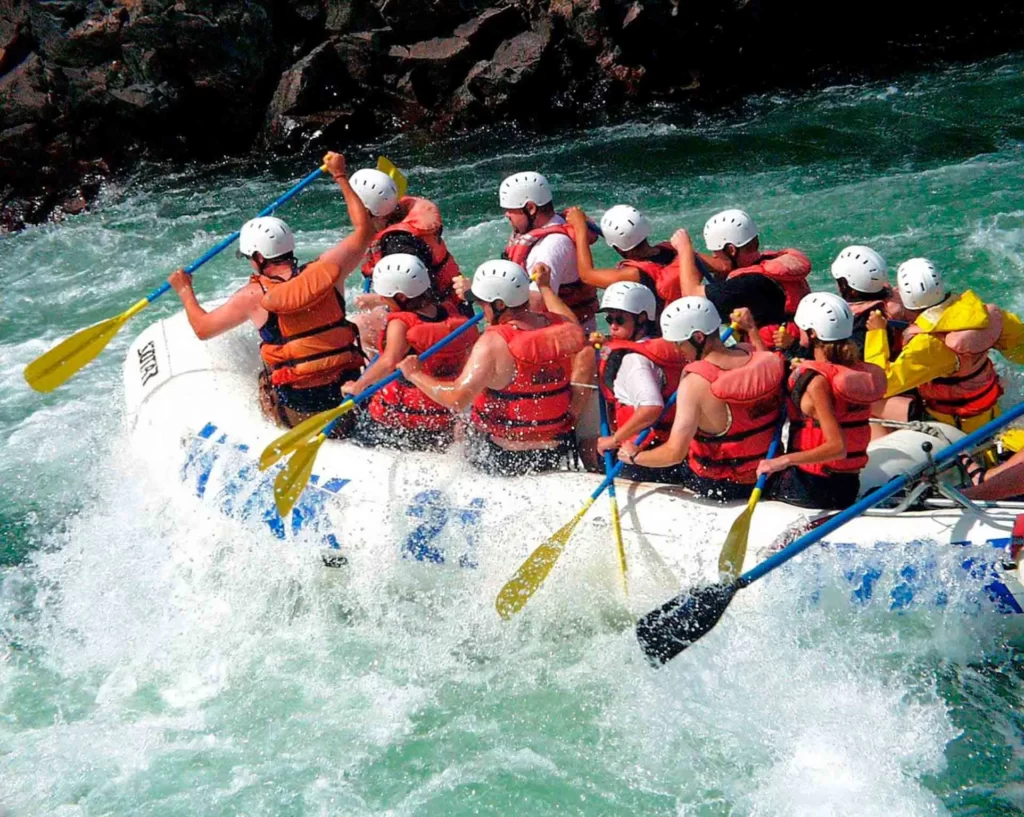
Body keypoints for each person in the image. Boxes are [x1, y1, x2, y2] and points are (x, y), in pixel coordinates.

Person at [168, 151, 371, 433]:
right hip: (348, 401)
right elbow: (364, 229)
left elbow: (203, 329)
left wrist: (185, 291)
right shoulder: (330, 269)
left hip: (300, 412)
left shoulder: (253, 296)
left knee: (263, 380)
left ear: (259, 258)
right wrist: (340, 175)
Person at [398, 260, 585, 477]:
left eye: (482, 303)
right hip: (554, 450)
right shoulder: (563, 329)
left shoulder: (493, 343)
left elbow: (456, 399)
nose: (481, 309)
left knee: (461, 424)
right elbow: (569, 319)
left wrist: (414, 374)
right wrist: (545, 287)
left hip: (502, 456)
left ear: (500, 305)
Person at [618, 296, 785, 501]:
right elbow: (765, 359)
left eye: (679, 344)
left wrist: (634, 456)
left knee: (634, 468)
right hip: (768, 475)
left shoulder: (695, 383)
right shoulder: (757, 356)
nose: (678, 351)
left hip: (720, 485)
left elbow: (674, 454)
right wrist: (751, 330)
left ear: (698, 337)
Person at [756, 293, 888, 509]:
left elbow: (838, 447)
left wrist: (782, 461)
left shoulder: (816, 382)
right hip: (848, 485)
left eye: (800, 328)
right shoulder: (854, 370)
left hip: (812, 488)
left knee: (739, 476)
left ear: (812, 333)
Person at [865, 258, 1024, 434]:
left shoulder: (928, 343)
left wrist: (876, 333)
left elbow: (880, 385)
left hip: (956, 426)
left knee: (865, 402)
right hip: (990, 411)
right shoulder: (977, 312)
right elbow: (1019, 346)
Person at [343, 253, 477, 451]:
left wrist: (358, 386)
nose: (382, 300)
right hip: (443, 418)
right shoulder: (450, 312)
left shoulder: (401, 322)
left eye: (385, 297)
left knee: (355, 424)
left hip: (401, 421)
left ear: (401, 297)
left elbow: (389, 361)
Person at [591, 281, 689, 482]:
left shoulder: (634, 360)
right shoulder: (671, 346)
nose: (613, 326)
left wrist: (614, 440)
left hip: (642, 451)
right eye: (609, 319)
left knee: (592, 450)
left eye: (620, 319)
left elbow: (651, 408)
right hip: (673, 445)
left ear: (642, 318)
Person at [497, 172, 600, 329]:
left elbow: (538, 304)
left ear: (530, 208)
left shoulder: (552, 245)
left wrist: (493, 301)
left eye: (511, 210)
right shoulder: (540, 229)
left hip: (567, 336)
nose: (507, 215)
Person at [673, 221, 792, 341]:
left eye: (716, 252)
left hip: (768, 350)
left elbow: (690, 294)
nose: (714, 257)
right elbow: (724, 265)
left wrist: (684, 248)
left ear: (731, 250)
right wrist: (690, 256)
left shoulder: (742, 286)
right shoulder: (772, 261)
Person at [565, 205, 682, 316]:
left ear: (618, 248)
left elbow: (587, 275)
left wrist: (580, 228)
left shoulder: (634, 274)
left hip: (653, 332)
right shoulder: (671, 249)